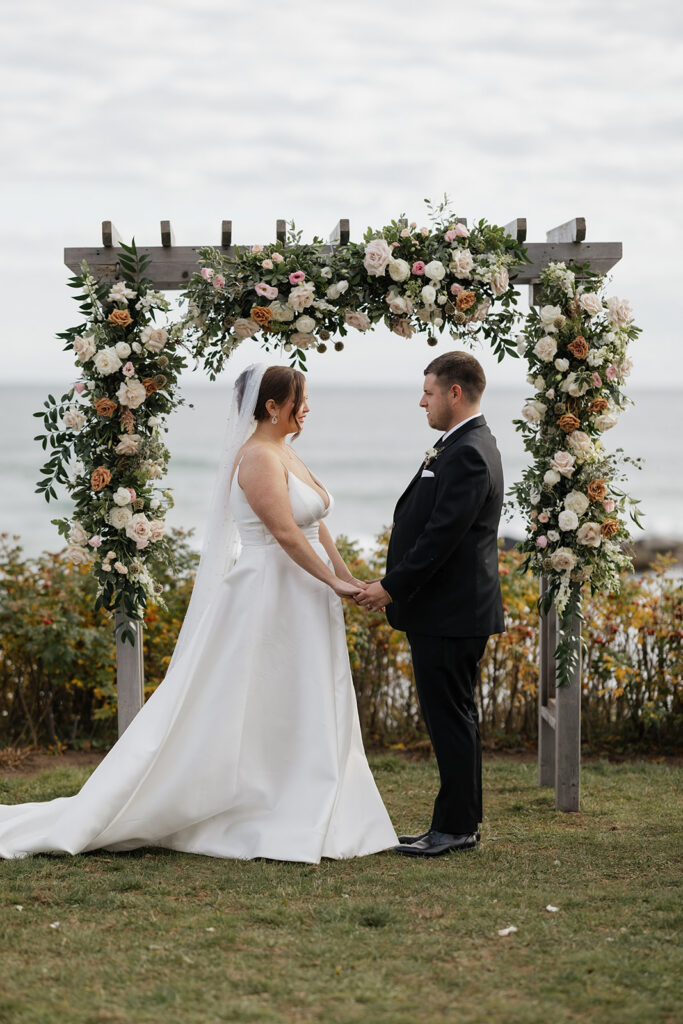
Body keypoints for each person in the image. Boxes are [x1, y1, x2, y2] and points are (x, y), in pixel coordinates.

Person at [0, 364, 398, 862]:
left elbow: (315, 526)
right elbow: (284, 532)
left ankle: (307, 793)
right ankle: (263, 802)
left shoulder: (286, 450)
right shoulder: (257, 457)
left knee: (306, 690)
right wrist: (331, 581)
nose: (307, 408)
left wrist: (346, 578)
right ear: (272, 406)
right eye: (301, 399)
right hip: (270, 592)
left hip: (305, 592)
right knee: (264, 693)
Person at [357, 351, 505, 858]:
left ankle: (456, 828)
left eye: (428, 392)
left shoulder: (468, 452)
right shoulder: (462, 443)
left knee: (450, 720)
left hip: (450, 612)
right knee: (454, 717)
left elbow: (442, 537)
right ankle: (458, 823)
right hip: (448, 611)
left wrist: (390, 586)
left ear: (454, 393)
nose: (422, 402)